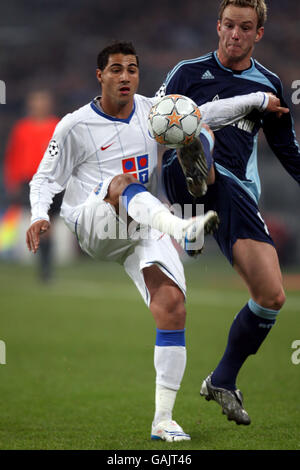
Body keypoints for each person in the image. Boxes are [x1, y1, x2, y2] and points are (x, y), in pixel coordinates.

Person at [25, 41, 287, 441]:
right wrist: (40, 214)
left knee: (172, 307)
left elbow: (208, 113)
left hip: (143, 224)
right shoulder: (74, 125)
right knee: (122, 183)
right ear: (100, 76)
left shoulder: (153, 112)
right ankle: (184, 229)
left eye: (132, 68)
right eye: (116, 69)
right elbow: (45, 177)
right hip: (95, 224)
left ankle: (163, 420)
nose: (126, 76)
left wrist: (258, 99)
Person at [157, 0, 300, 425]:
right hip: (180, 177)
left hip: (235, 192)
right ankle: (193, 202)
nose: (234, 34)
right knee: (191, 129)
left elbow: (287, 152)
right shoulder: (186, 73)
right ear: (218, 26)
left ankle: (222, 378)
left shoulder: (269, 83)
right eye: (229, 25)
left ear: (258, 34)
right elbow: (154, 126)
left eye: (245, 28)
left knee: (272, 296)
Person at [3, 90, 62, 281]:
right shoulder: (22, 128)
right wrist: (12, 180)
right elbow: (13, 155)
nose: (40, 105)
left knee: (47, 225)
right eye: (37, 101)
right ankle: (44, 268)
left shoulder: (57, 126)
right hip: (29, 181)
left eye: (43, 101)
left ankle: (46, 268)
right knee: (39, 223)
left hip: (52, 181)